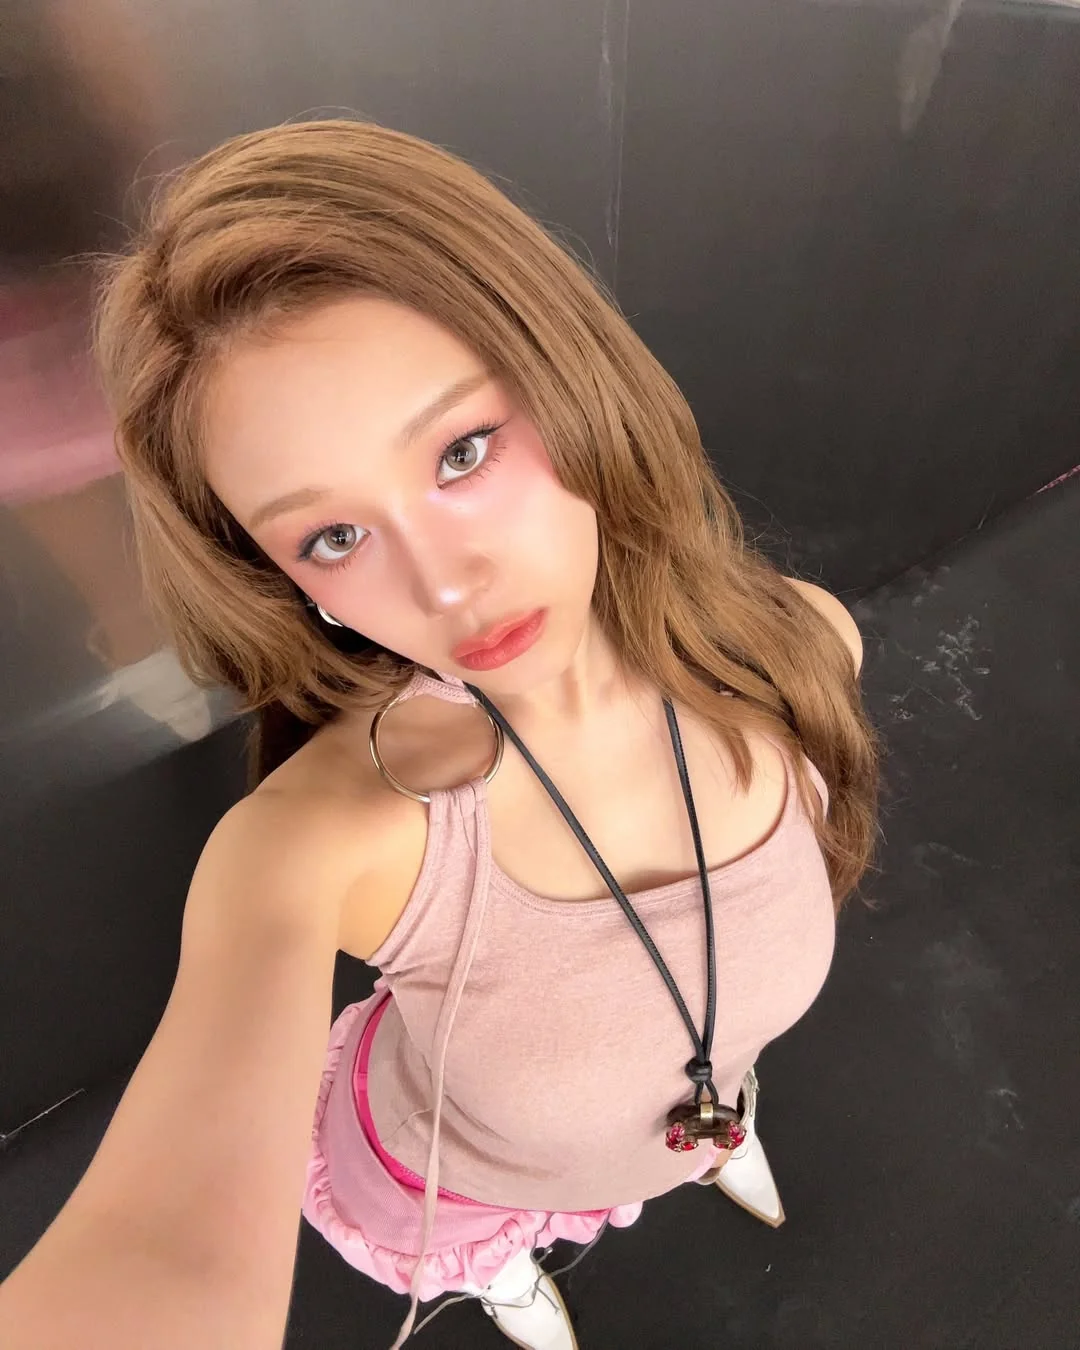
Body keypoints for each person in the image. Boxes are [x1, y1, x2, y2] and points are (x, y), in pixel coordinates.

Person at [0, 120, 879, 1350]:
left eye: (463, 452)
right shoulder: (313, 849)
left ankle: (705, 1128)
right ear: (283, 580)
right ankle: (498, 1265)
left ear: (569, 379)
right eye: (334, 537)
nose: (446, 583)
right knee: (491, 1225)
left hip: (687, 1088)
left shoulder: (793, 652)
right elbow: (162, 1258)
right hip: (451, 1176)